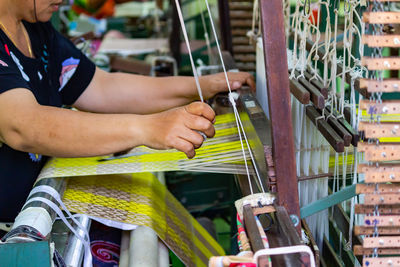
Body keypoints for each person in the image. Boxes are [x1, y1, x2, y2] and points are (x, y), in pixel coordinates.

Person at [0, 0, 255, 223]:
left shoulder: (35, 29)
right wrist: (148, 128)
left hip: (43, 210)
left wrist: (203, 85)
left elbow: (101, 87)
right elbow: (24, 125)